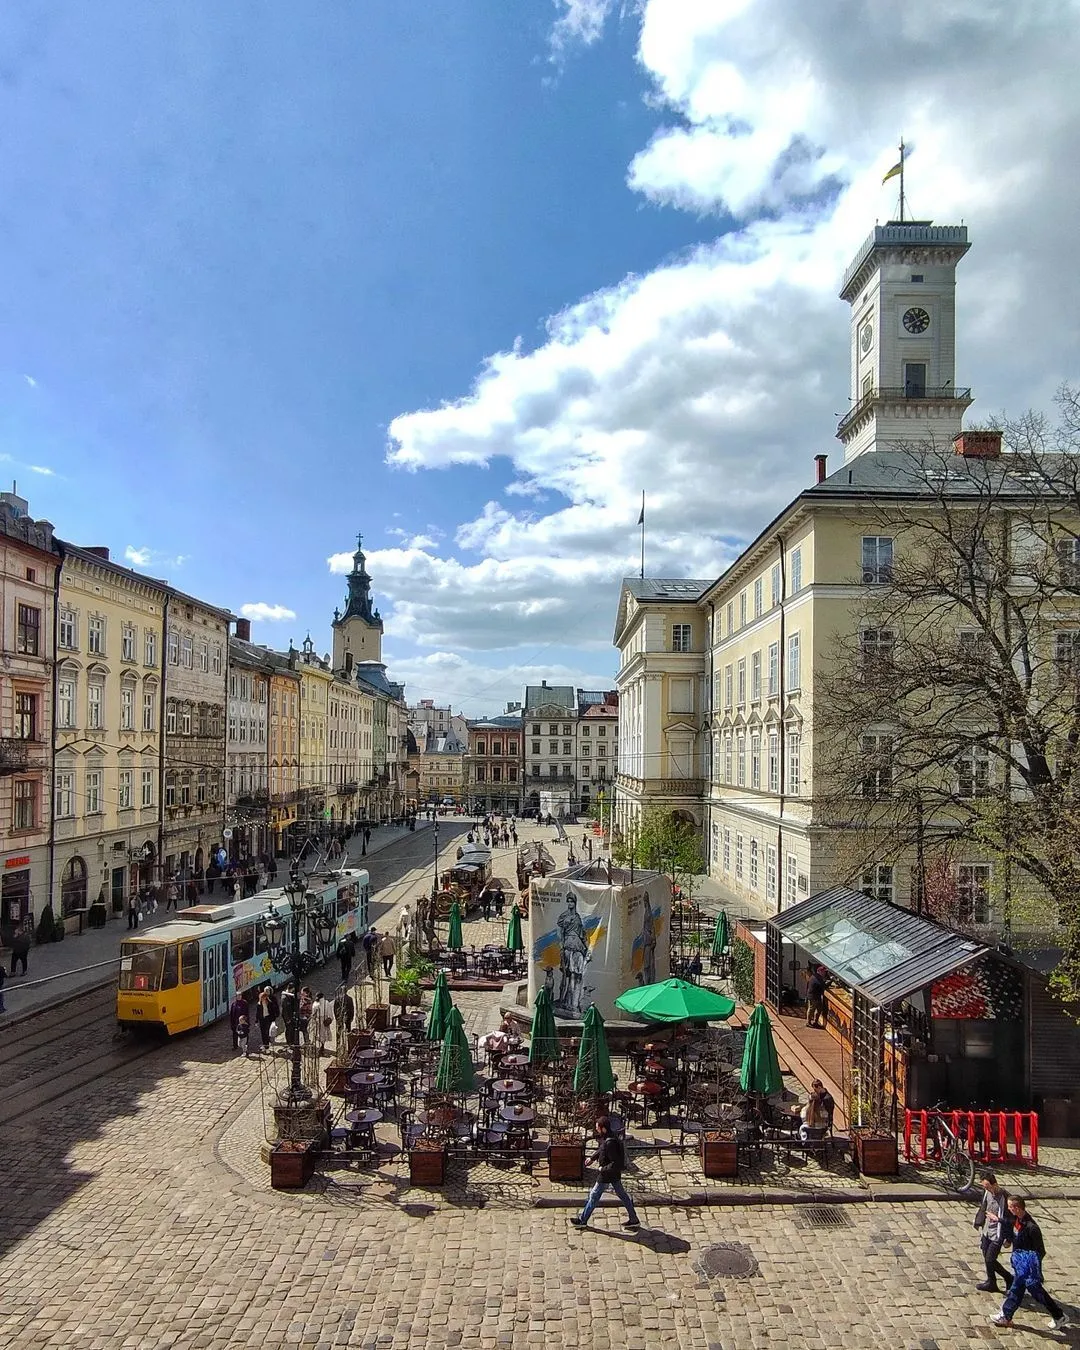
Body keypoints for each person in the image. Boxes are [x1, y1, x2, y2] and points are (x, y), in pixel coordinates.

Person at [991, 1197, 1069, 1329]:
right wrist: (998, 1219)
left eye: (1010, 1207)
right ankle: (1006, 1315)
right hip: (1020, 1264)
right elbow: (1009, 1223)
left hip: (1028, 1268)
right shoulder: (1017, 1220)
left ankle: (1059, 1316)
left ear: (1017, 1208)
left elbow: (1040, 1251)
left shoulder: (1032, 1228)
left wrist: (1030, 1266)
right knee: (1017, 1290)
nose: (1008, 1209)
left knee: (1036, 1293)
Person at [570, 1117, 641, 1231]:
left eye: (597, 1127)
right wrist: (593, 1158)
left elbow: (615, 1162)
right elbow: (602, 1149)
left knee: (594, 1195)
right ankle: (634, 1219)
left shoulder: (610, 1143)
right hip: (612, 1174)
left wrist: (602, 1169)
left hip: (606, 1174)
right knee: (622, 1195)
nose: (596, 1129)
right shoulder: (610, 1137)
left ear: (603, 1129)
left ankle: (582, 1220)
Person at [973, 1171, 1012, 1293]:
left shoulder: (1005, 1198)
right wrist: (978, 1221)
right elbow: (983, 1206)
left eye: (988, 1187)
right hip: (987, 1230)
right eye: (984, 1187)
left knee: (990, 1259)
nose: (986, 1189)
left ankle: (1008, 1277)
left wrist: (1009, 1238)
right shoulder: (987, 1193)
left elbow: (1011, 1220)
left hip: (998, 1234)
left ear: (995, 1184)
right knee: (986, 1257)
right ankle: (992, 1282)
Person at [256, 985, 277, 1051]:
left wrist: (274, 1017)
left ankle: (267, 1045)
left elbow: (273, 1010)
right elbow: (257, 1013)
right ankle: (265, 1044)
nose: (263, 999)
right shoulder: (259, 1005)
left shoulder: (270, 1003)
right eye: (262, 998)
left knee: (267, 1032)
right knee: (263, 1032)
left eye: (264, 998)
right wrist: (256, 1021)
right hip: (262, 1019)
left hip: (268, 1018)